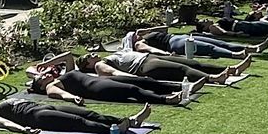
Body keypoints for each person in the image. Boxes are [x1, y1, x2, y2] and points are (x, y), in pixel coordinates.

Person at [0, 94, 151, 134]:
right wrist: (24, 130)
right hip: (37, 117)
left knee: (89, 113)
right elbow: (5, 123)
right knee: (79, 122)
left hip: (45, 107)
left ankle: (131, 121)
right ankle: (114, 131)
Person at [28, 59, 194, 107]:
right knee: (132, 89)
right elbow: (57, 93)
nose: (43, 75)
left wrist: (46, 63)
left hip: (102, 80)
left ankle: (181, 86)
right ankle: (166, 99)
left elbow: (68, 57)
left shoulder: (59, 76)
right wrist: (72, 98)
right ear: (41, 86)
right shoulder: (50, 86)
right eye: (40, 78)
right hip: (96, 88)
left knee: (143, 81)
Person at [90, 47, 249, 86]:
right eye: (87, 58)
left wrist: (164, 53)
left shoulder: (111, 53)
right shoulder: (99, 65)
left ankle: (232, 70)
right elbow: (114, 73)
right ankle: (213, 78)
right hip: (144, 66)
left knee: (193, 63)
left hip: (150, 57)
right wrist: (137, 79)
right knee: (182, 70)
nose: (91, 55)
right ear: (87, 65)